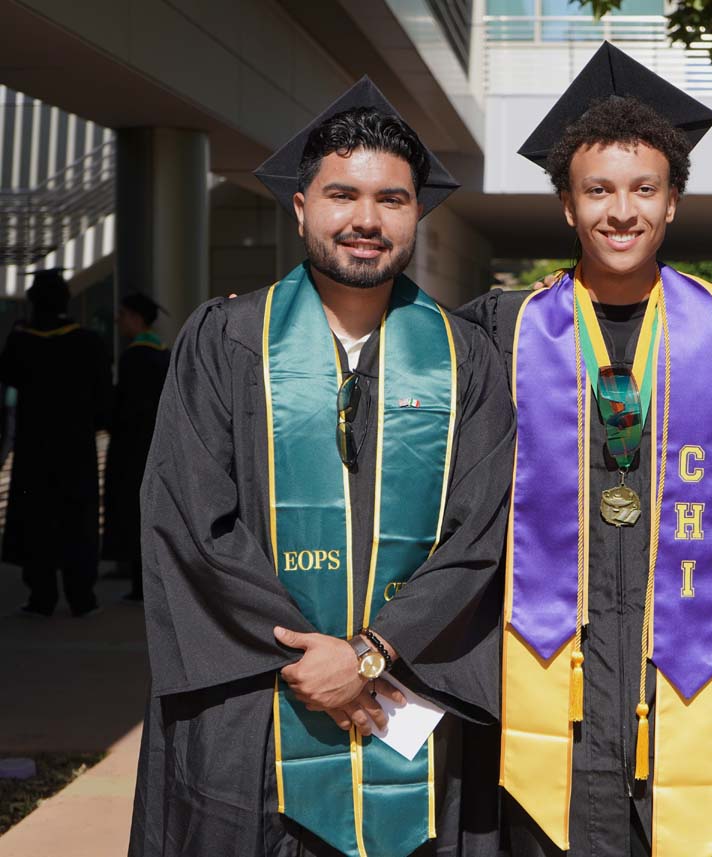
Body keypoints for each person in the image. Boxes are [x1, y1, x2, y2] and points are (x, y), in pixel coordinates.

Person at [129, 78, 515, 857]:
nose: (367, 220)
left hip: (408, 699)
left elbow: (485, 529)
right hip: (256, 714)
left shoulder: (465, 358)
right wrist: (311, 659)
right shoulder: (226, 340)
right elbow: (192, 522)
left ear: (417, 214)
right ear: (301, 205)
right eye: (343, 194)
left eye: (393, 200)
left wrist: (369, 652)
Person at [457, 43, 712, 857]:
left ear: (673, 202)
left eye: (644, 189)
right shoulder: (503, 329)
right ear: (567, 207)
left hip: (672, 666)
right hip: (549, 673)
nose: (621, 210)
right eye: (597, 190)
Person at [0, 268, 112, 618]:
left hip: (34, 447)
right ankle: (81, 595)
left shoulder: (20, 342)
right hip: (75, 446)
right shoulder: (89, 341)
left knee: (37, 521)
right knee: (77, 519)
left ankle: (41, 595)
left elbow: (9, 378)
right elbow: (102, 397)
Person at [103, 292, 171, 602]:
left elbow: (123, 408)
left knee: (133, 510)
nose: (118, 321)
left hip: (132, 447)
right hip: (156, 443)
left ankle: (138, 583)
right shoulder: (163, 352)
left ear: (136, 318)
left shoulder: (135, 357)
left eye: (123, 314)